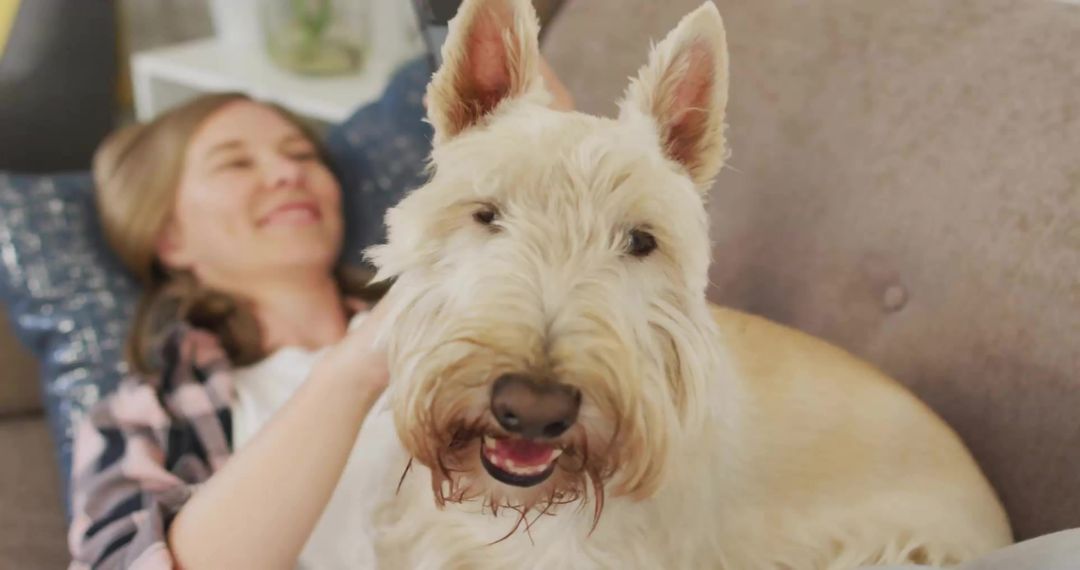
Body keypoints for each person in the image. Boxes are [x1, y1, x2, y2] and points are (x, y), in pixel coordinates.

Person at [67, 62, 573, 569]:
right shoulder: (142, 416)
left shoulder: (484, 320)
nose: (288, 173)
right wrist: (356, 368)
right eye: (234, 164)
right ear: (168, 237)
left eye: (302, 154)